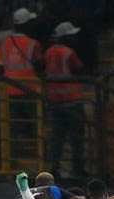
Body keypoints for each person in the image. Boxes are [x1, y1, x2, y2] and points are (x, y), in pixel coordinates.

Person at [1, 8, 43, 164]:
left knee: (11, 127)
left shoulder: (4, 42)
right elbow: (39, 64)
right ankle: (40, 158)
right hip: (29, 88)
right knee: (35, 125)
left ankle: (12, 160)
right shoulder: (33, 43)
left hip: (7, 90)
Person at [44, 21, 86, 179]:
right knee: (76, 138)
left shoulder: (48, 52)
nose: (74, 39)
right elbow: (79, 69)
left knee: (57, 138)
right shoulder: (69, 53)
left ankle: (54, 168)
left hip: (54, 101)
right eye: (72, 36)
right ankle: (78, 169)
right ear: (66, 37)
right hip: (72, 101)